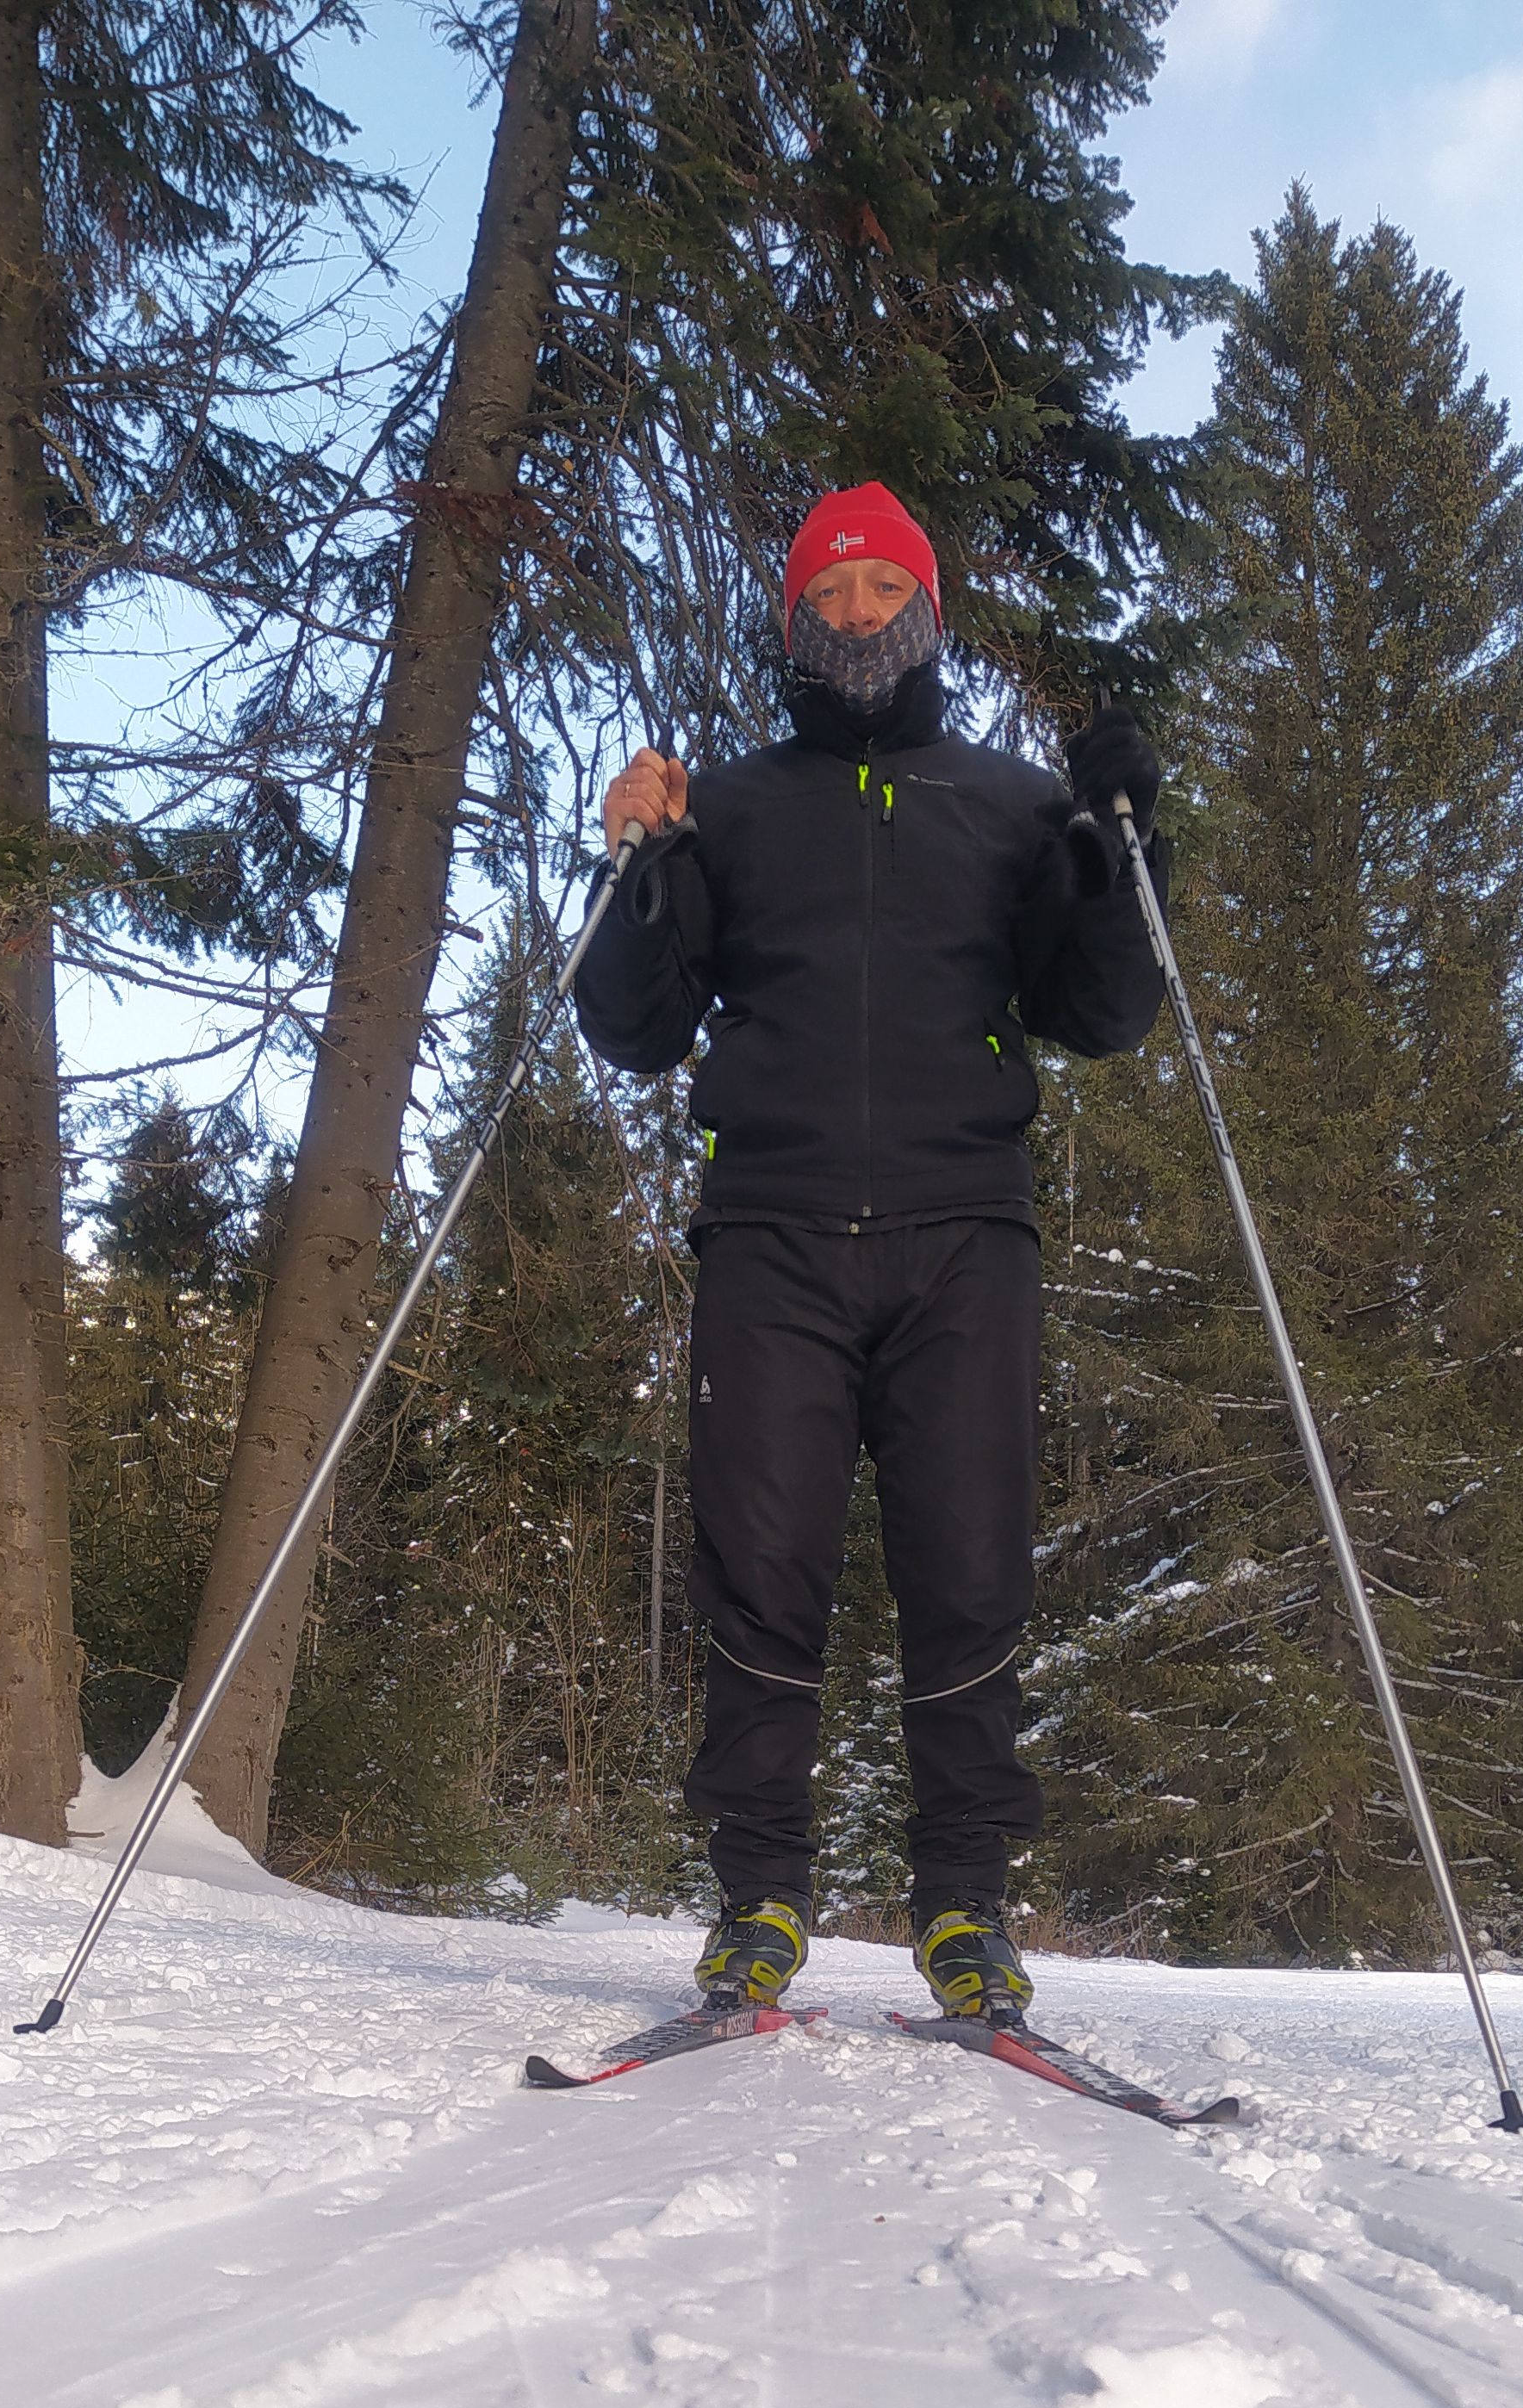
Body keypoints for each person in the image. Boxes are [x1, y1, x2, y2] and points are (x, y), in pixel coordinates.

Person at [574, 480, 1167, 2023]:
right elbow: (633, 1027)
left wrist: (1121, 842)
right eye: (826, 600)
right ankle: (760, 1902)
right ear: (793, 621)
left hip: (964, 1235)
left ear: (926, 615)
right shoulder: (738, 806)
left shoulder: (1013, 803)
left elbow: (1102, 1013)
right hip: (771, 1233)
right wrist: (638, 858)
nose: (852, 621)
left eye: (879, 596)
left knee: (967, 1577)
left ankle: (965, 1909)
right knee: (760, 1578)